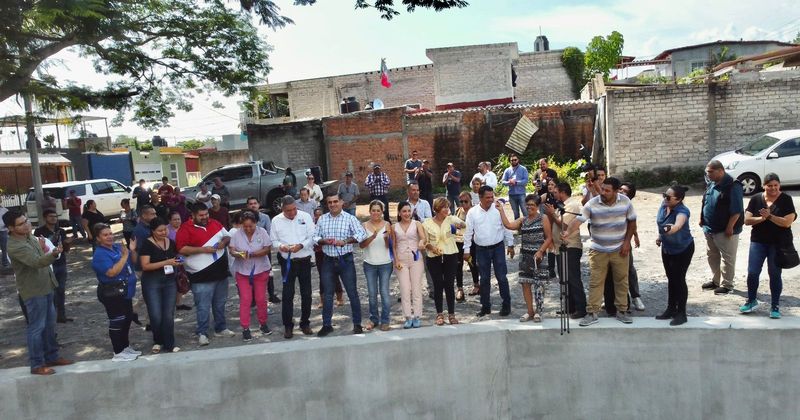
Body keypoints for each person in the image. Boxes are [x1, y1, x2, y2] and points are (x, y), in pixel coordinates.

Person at [4, 210, 74, 374]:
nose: (26, 224)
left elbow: (40, 255)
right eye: (21, 224)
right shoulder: (15, 246)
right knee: (36, 328)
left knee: (50, 325)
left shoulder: (30, 237)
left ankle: (52, 356)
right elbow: (36, 262)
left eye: (26, 220)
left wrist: (47, 250)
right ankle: (36, 364)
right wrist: (54, 253)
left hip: (46, 285)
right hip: (33, 291)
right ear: (11, 228)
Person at [562, 177, 637, 326]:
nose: (603, 192)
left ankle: (622, 311)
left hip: (619, 249)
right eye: (602, 189)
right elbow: (578, 220)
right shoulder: (592, 203)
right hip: (598, 250)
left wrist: (627, 242)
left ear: (616, 191)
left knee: (622, 281)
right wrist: (567, 232)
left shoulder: (625, 202)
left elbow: (632, 222)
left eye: (607, 190)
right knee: (596, 282)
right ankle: (592, 313)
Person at [176, 204, 236, 346]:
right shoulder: (185, 228)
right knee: (203, 306)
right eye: (201, 215)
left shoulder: (214, 223)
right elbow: (182, 249)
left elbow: (227, 236)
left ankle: (220, 328)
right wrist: (203, 249)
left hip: (220, 273)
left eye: (206, 214)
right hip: (200, 275)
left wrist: (223, 242)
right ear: (193, 215)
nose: (205, 217)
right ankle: (202, 332)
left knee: (220, 303)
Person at [740, 173, 796, 319]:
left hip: (778, 244)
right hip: (758, 241)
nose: (773, 188)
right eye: (769, 185)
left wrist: (770, 217)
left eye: (775, 185)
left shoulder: (786, 199)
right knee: (752, 272)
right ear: (764, 186)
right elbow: (747, 220)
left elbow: (786, 222)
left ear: (779, 185)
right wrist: (762, 218)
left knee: (774, 273)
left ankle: (775, 305)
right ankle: (751, 300)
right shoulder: (756, 199)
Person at [313, 194, 369, 336]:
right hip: (328, 261)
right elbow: (314, 237)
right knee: (328, 294)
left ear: (342, 202)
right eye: (330, 202)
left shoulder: (350, 218)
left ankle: (357, 324)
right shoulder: (322, 219)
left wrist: (346, 241)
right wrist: (323, 241)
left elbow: (362, 234)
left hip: (346, 260)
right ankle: (327, 325)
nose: (333, 204)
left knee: (352, 293)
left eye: (335, 201)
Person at [91, 222, 141, 362]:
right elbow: (112, 272)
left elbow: (134, 261)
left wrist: (132, 250)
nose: (109, 237)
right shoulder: (100, 254)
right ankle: (118, 352)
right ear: (98, 238)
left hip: (126, 291)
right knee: (117, 321)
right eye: (105, 235)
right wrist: (124, 256)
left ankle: (125, 347)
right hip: (112, 292)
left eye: (110, 233)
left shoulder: (118, 247)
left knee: (127, 319)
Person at [499, 194, 552, 322]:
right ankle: (529, 311)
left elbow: (549, 237)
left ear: (537, 206)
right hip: (525, 256)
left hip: (538, 256)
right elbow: (509, 225)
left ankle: (539, 312)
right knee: (525, 283)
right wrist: (501, 211)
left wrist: (541, 251)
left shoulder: (543, 218)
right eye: (527, 205)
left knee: (539, 285)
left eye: (532, 205)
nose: (529, 207)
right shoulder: (523, 220)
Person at [463, 186, 515, 317]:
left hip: (497, 247)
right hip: (481, 249)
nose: (491, 199)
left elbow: (506, 226)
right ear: (480, 197)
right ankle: (485, 306)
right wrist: (466, 250)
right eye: (488, 197)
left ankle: (506, 304)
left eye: (492, 196)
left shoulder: (498, 209)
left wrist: (510, 244)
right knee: (484, 279)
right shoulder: (472, 212)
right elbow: (468, 232)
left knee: (502, 277)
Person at [271, 196, 316, 338]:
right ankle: (288, 326)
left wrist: (301, 245)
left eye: (294, 209)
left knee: (307, 293)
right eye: (288, 210)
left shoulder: (306, 216)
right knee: (288, 294)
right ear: (282, 209)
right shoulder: (276, 220)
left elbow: (313, 236)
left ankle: (305, 323)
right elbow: (274, 241)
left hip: (304, 260)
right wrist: (281, 246)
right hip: (287, 262)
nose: (292, 213)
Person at [543, 182, 586, 319]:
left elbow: (565, 224)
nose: (553, 195)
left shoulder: (571, 205)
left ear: (562, 192)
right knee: (564, 279)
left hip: (571, 246)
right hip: (560, 248)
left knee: (573, 278)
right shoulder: (560, 206)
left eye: (555, 192)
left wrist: (552, 214)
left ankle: (581, 308)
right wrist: (550, 214)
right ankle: (569, 307)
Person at [701, 160, 744, 295]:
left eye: (710, 172)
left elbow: (737, 210)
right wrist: (701, 218)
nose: (708, 175)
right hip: (709, 228)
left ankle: (727, 285)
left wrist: (730, 227)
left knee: (727, 258)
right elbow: (706, 201)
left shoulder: (732, 185)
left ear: (720, 171)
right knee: (712, 255)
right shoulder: (712, 183)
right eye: (707, 172)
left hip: (725, 230)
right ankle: (715, 281)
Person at [139, 217, 182, 353]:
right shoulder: (147, 244)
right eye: (160, 231)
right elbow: (145, 266)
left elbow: (177, 257)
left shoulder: (171, 242)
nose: (164, 233)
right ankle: (158, 340)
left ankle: (170, 343)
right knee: (155, 314)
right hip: (152, 282)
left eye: (165, 230)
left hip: (169, 280)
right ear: (152, 231)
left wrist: (179, 261)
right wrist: (166, 262)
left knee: (168, 314)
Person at [229, 210, 272, 341]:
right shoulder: (237, 234)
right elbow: (232, 250)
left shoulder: (262, 232)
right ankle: (245, 328)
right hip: (243, 271)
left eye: (250, 226)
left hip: (260, 269)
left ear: (255, 223)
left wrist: (254, 254)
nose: (248, 229)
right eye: (245, 226)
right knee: (246, 299)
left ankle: (263, 323)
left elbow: (268, 248)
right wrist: (238, 254)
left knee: (260, 298)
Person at [655, 185, 694, 326]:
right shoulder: (664, 204)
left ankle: (681, 313)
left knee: (679, 279)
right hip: (667, 248)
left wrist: (671, 230)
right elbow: (661, 223)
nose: (665, 198)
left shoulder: (683, 211)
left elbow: (678, 225)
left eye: (668, 197)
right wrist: (661, 236)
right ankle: (671, 309)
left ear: (679, 199)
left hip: (683, 249)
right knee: (671, 279)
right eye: (664, 195)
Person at [604, 182, 645, 315]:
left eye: (625, 191)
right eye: (620, 189)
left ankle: (635, 296)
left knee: (628, 270)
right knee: (610, 271)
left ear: (630, 196)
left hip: (624, 242)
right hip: (610, 243)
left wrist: (635, 236)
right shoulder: (611, 201)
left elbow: (632, 223)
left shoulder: (627, 204)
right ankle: (612, 299)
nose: (621, 192)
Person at [423, 197, 465, 326]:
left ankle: (451, 314)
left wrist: (455, 233)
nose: (447, 209)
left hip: (450, 254)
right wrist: (432, 248)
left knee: (449, 284)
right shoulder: (427, 223)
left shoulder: (451, 219)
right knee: (437, 285)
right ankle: (439, 314)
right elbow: (424, 241)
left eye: (448, 206)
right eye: (444, 207)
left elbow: (464, 226)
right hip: (433, 256)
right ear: (436, 209)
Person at [34, 209, 74, 323]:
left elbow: (66, 249)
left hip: (61, 263)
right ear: (45, 218)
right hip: (48, 264)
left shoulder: (61, 230)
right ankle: (51, 316)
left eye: (55, 216)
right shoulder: (39, 231)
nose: (54, 218)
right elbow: (38, 249)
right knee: (51, 292)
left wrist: (68, 243)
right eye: (51, 216)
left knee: (61, 290)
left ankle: (61, 315)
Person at [360, 200, 394, 331]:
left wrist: (386, 238)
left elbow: (389, 246)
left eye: (378, 210)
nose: (375, 213)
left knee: (384, 292)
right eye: (373, 210)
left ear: (382, 212)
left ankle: (385, 320)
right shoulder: (364, 225)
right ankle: (374, 319)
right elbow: (361, 245)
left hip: (385, 263)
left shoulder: (387, 225)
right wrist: (372, 237)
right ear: (369, 211)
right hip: (369, 263)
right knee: (372, 293)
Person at [394, 201, 427, 328]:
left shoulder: (417, 224)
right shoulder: (394, 227)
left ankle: (417, 316)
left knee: (416, 288)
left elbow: (423, 238)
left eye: (409, 211)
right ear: (399, 213)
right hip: (401, 260)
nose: (407, 213)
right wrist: (396, 260)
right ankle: (407, 317)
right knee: (404, 288)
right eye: (404, 211)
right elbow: (393, 245)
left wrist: (421, 242)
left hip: (416, 259)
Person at [312, 207, 344, 308]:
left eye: (320, 215)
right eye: (316, 215)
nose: (318, 217)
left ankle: (339, 297)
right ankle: (322, 300)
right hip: (319, 255)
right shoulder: (312, 227)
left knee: (335, 275)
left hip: (330, 253)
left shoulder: (327, 224)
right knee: (322, 276)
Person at [455, 191, 479, 300]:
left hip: (471, 243)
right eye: (461, 201)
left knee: (472, 263)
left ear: (470, 201)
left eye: (466, 201)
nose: (464, 204)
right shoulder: (457, 211)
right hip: (459, 242)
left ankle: (476, 285)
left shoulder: (475, 211)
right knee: (458, 265)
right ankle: (460, 289)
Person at [167, 211, 192, 312]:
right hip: (171, 259)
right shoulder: (166, 230)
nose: (177, 221)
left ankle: (179, 302)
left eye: (179, 219)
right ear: (169, 220)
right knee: (172, 280)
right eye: (175, 219)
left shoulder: (184, 228)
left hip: (184, 257)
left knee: (181, 279)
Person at [501, 153, 529, 219]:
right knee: (516, 213)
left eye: (515, 160)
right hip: (512, 195)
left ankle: (528, 227)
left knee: (525, 212)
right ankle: (518, 228)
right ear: (510, 161)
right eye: (512, 160)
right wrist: (509, 182)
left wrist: (516, 182)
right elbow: (503, 182)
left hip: (521, 194)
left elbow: (525, 181)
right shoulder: (507, 170)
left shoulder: (523, 169)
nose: (513, 161)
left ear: (518, 160)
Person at [0, 203, 9, 267]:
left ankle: (5, 263)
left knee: (4, 248)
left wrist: (6, 226)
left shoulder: (5, 210)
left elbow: (9, 219)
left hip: (3, 231)